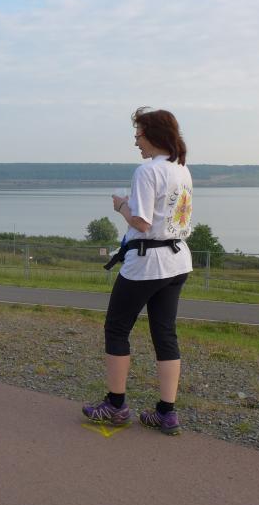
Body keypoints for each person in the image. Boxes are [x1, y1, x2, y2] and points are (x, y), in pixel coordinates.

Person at [83, 108, 193, 435]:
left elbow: (142, 223)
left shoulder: (147, 171)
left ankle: (116, 405)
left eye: (139, 135)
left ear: (153, 135)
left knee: (116, 329)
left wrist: (121, 206)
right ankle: (166, 412)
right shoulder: (182, 170)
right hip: (177, 260)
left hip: (147, 263)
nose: (136, 142)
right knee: (165, 333)